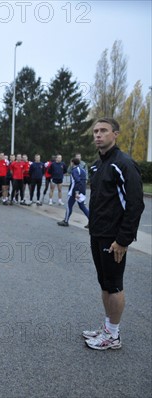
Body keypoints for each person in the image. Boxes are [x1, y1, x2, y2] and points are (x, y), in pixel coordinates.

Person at [82, 118, 144, 350]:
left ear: (115, 134)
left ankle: (114, 336)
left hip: (114, 238)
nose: (98, 135)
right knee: (105, 284)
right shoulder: (97, 165)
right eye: (96, 131)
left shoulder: (124, 163)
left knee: (114, 285)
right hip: (97, 233)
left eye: (103, 131)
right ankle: (107, 328)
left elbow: (135, 204)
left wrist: (123, 239)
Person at [58, 158, 90, 227]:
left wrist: (76, 192)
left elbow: (77, 181)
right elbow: (83, 181)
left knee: (69, 206)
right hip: (82, 190)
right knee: (82, 206)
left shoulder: (74, 171)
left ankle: (66, 221)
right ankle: (91, 221)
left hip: (74, 191)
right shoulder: (82, 170)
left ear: (72, 163)